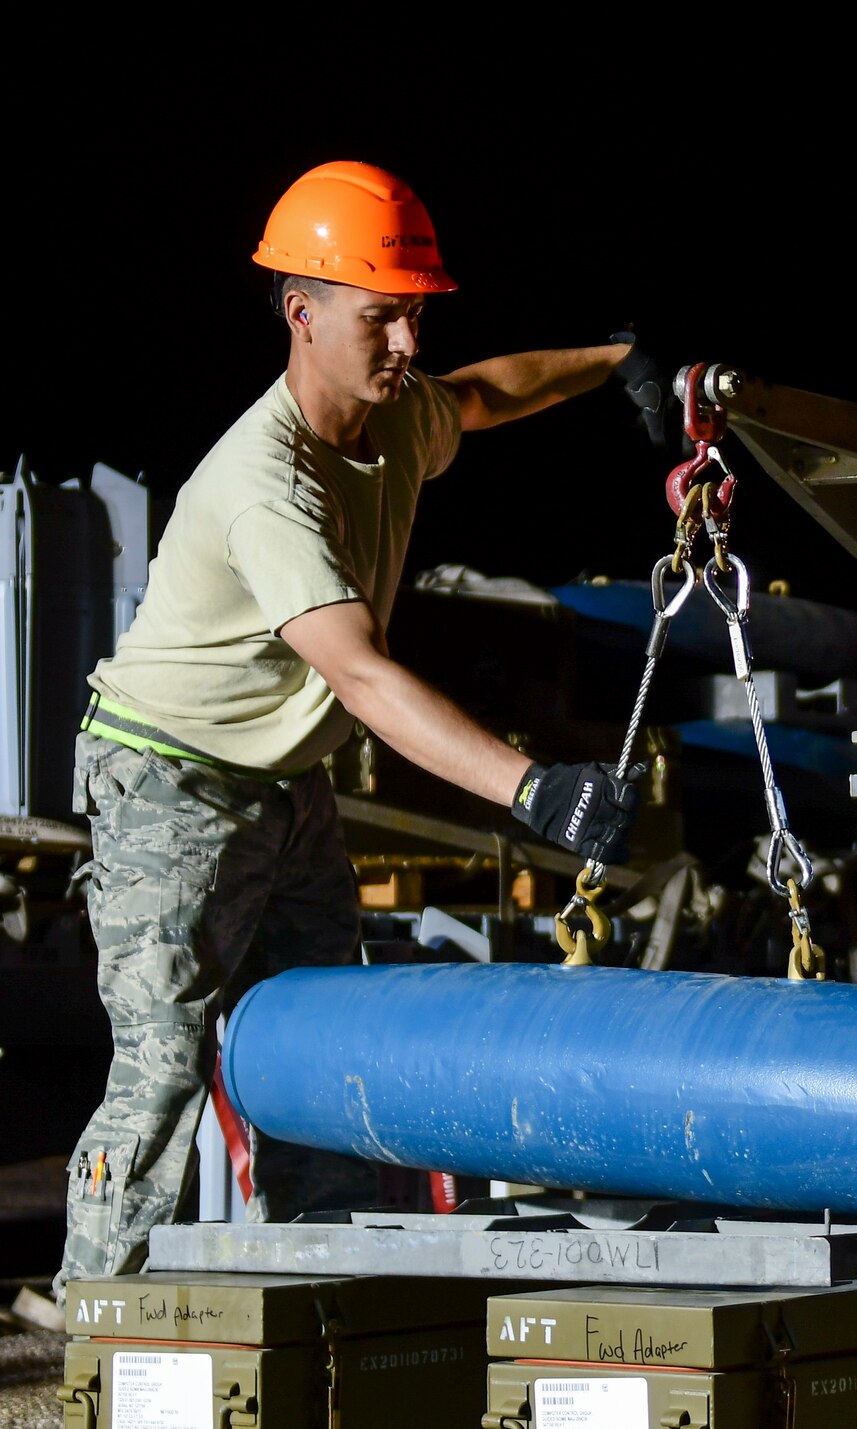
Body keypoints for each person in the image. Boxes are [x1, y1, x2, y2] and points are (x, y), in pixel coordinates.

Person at [55, 160, 669, 1304]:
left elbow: (488, 393)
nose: (406, 345)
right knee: (161, 1069)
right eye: (381, 318)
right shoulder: (264, 481)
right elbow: (364, 674)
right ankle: (103, 1326)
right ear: (303, 312)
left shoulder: (396, 417)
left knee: (325, 1059)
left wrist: (614, 360)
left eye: (416, 317)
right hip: (169, 779)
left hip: (285, 784)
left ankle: (320, 1326)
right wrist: (537, 791)